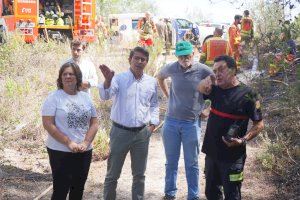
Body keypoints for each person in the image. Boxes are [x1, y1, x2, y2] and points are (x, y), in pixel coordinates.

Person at [197, 55, 264, 200]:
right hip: (212, 153)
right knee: (211, 193)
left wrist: (243, 140)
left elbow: (259, 124)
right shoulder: (214, 90)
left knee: (232, 195)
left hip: (233, 157)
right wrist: (205, 82)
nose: (217, 74)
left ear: (233, 70)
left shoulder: (249, 95)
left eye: (221, 69)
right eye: (215, 71)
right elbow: (200, 88)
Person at [99, 46, 159, 200]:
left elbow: (153, 105)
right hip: (120, 133)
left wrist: (152, 126)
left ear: (146, 62)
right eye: (136, 58)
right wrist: (107, 80)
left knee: (139, 175)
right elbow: (105, 95)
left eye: (143, 59)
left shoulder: (151, 82)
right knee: (112, 174)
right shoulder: (119, 79)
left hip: (141, 134)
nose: (139, 61)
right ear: (130, 59)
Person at [157, 41, 213, 200]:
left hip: (191, 123)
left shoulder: (202, 70)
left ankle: (193, 196)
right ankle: (169, 193)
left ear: (193, 54)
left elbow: (217, 84)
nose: (184, 59)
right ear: (177, 56)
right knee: (171, 162)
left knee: (192, 163)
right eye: (181, 56)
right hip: (171, 122)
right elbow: (160, 77)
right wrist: (168, 95)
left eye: (187, 55)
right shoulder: (172, 68)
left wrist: (208, 108)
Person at [42, 62, 99, 200]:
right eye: (65, 74)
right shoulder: (53, 98)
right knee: (60, 190)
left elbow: (94, 122)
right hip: (60, 151)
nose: (68, 76)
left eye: (71, 74)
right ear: (60, 78)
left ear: (77, 77)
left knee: (78, 189)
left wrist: (86, 142)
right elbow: (48, 124)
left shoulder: (85, 97)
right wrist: (68, 142)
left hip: (84, 151)